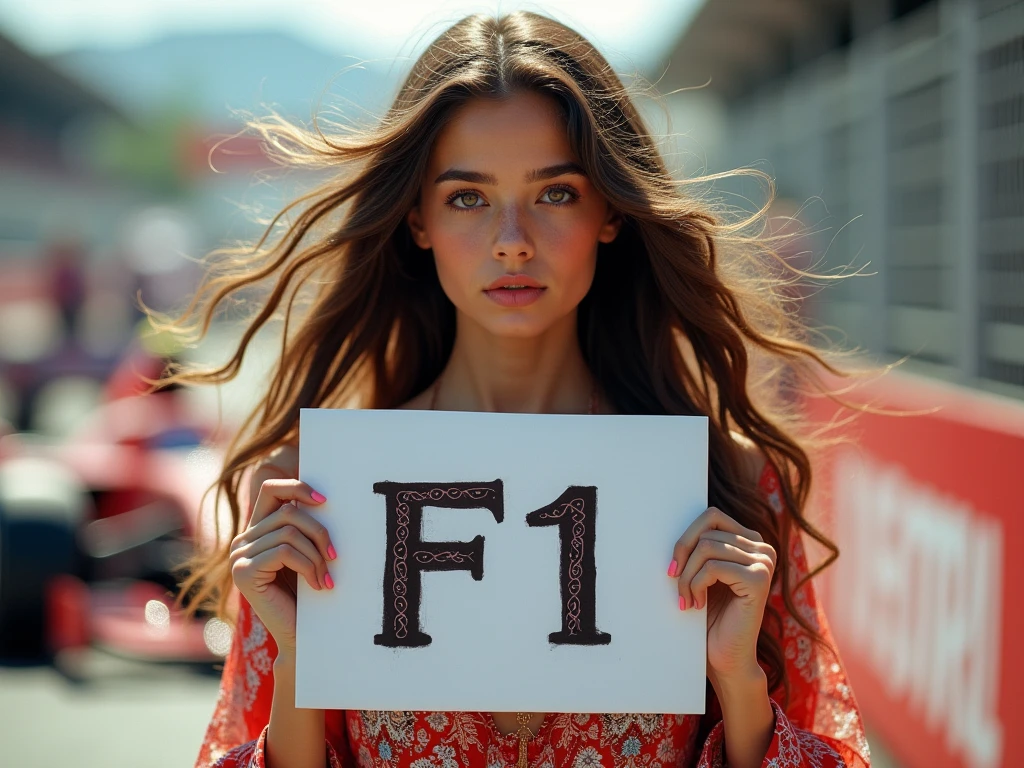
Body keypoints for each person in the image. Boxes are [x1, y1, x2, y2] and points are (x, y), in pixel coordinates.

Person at [157, 11, 872, 768]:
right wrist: (303, 654)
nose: (512, 241)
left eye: (555, 193)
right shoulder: (318, 494)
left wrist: (738, 681)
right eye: (467, 197)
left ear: (609, 211)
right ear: (418, 219)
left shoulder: (728, 487)